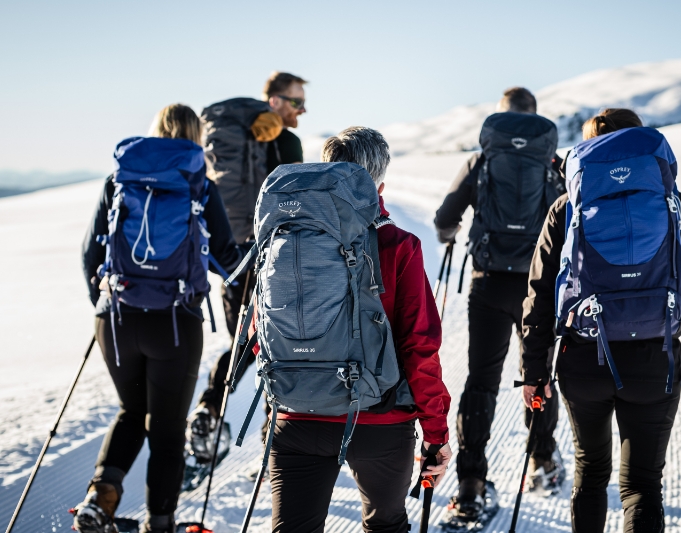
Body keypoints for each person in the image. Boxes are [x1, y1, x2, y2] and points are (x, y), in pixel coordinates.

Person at [519, 108, 681, 532]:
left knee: (591, 475)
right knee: (643, 484)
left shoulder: (567, 206)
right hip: (655, 357)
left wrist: (534, 371)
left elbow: (538, 296)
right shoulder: (671, 202)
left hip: (584, 358)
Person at [263, 127, 453, 533]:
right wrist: (435, 433)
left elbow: (263, 330)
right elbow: (419, 345)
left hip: (298, 416)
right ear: (379, 184)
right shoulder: (397, 245)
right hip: (379, 423)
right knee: (385, 525)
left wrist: (274, 408)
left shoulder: (284, 238)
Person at [77, 104, 242, 533]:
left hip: (116, 318)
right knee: (167, 429)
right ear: (195, 137)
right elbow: (225, 259)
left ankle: (101, 497)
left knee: (132, 410)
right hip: (173, 322)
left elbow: (89, 253)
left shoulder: (121, 177)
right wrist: (250, 292)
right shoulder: (197, 183)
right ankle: (161, 524)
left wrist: (105, 301)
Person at [433, 87, 565, 523]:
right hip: (538, 289)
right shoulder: (552, 163)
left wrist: (450, 235)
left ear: (501, 117)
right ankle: (542, 461)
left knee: (481, 381)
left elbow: (444, 217)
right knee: (539, 374)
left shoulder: (482, 159)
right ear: (534, 116)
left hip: (488, 284)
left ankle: (471, 484)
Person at [188, 71, 307, 457]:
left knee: (241, 342)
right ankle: (273, 437)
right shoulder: (286, 141)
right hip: (272, 258)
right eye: (296, 101)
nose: (301, 111)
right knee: (280, 347)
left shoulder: (226, 142)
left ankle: (209, 404)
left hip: (232, 258)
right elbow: (296, 201)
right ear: (274, 101)